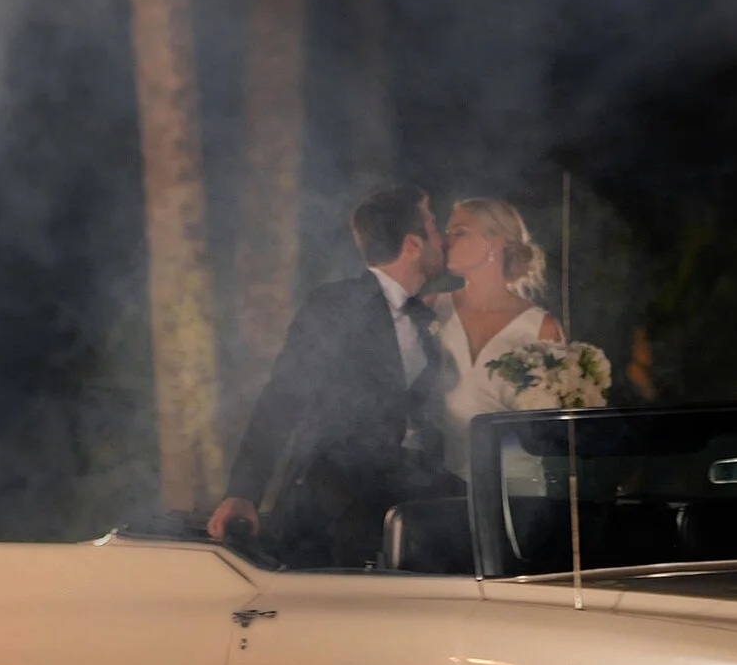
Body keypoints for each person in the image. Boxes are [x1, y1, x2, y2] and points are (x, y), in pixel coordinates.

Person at [208, 185, 454, 565]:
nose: (444, 240)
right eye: (435, 228)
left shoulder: (424, 320)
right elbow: (283, 397)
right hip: (338, 508)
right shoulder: (335, 305)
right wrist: (244, 492)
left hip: (411, 506)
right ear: (413, 244)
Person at [430, 198, 567, 478]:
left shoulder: (540, 328)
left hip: (514, 489)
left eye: (460, 232)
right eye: (447, 232)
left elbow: (552, 427)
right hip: (438, 480)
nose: (446, 242)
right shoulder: (432, 307)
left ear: (495, 242)